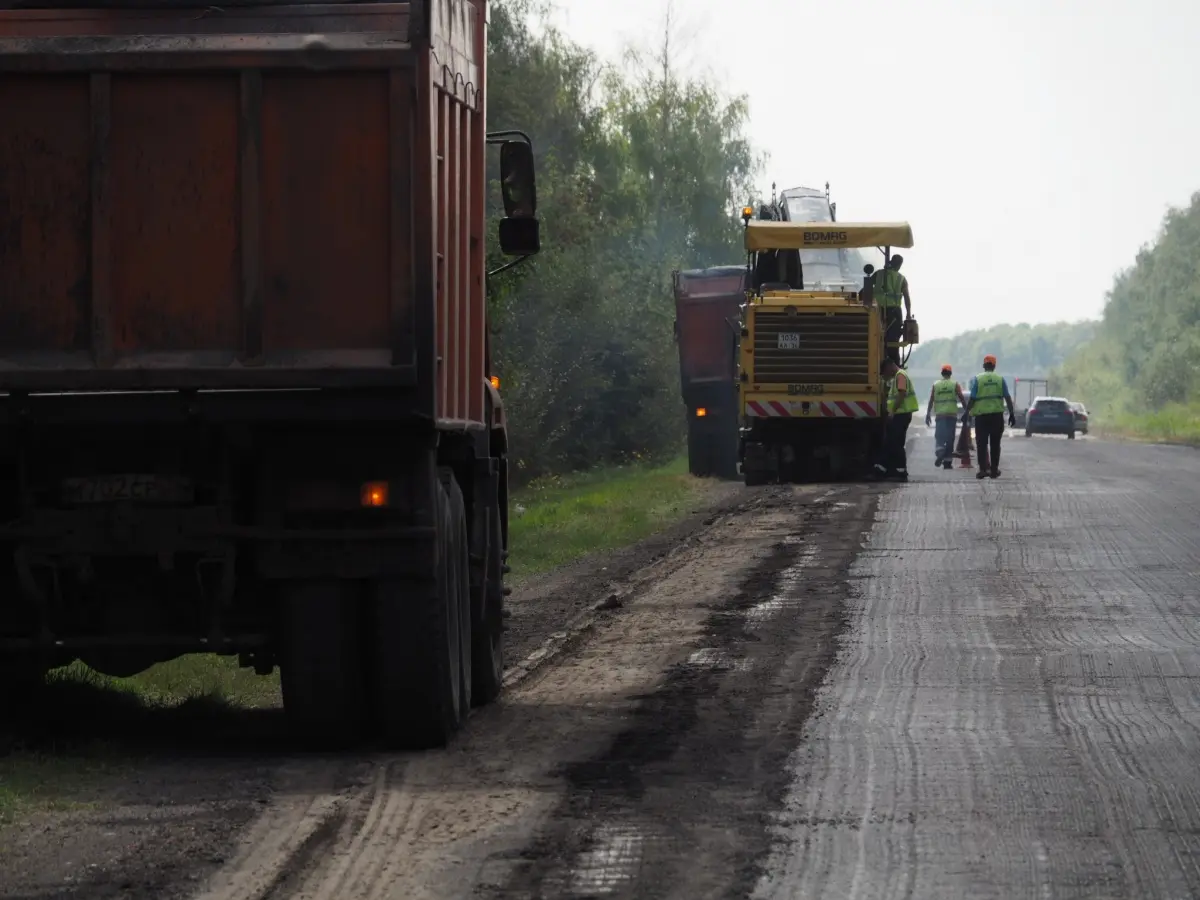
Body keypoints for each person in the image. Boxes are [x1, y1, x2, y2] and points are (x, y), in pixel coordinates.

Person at [965, 354, 1016, 479]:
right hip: (996, 417)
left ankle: (982, 470)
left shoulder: (977, 379)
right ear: (994, 365)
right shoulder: (1000, 379)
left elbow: (972, 398)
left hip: (981, 417)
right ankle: (994, 470)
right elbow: (1007, 397)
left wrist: (967, 412)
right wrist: (1011, 414)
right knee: (995, 444)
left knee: (981, 444)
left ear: (983, 365)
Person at [873, 359, 918, 481]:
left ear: (890, 366)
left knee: (894, 442)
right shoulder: (899, 376)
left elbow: (902, 393)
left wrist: (892, 411)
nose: (886, 373)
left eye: (885, 370)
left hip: (901, 414)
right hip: (901, 414)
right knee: (896, 442)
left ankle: (889, 470)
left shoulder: (900, 376)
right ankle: (896, 470)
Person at [925, 364, 966, 469]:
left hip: (940, 415)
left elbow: (931, 400)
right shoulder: (955, 384)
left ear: (942, 373)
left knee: (939, 436)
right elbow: (961, 398)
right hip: (951, 415)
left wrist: (928, 414)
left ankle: (940, 452)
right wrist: (967, 411)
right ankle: (947, 462)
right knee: (950, 438)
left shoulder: (936, 385)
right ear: (950, 374)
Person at [872, 255, 911, 365]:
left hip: (876, 312)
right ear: (899, 265)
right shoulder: (901, 279)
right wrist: (908, 314)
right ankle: (895, 367)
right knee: (893, 343)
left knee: (874, 338)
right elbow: (907, 297)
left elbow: (866, 288)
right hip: (894, 313)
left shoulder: (878, 274)